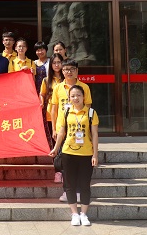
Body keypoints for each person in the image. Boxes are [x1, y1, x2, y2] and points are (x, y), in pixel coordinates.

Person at [49, 85, 99, 226]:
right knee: (69, 185)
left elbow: (95, 134)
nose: (75, 98)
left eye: (78, 95)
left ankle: (84, 214)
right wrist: (56, 148)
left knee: (85, 185)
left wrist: (95, 154)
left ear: (83, 97)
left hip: (86, 153)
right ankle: (74, 214)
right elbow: (61, 132)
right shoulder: (65, 111)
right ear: (69, 98)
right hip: (68, 153)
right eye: (72, 96)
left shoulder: (91, 113)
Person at [40, 53, 64, 180]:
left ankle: (66, 170)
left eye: (59, 62)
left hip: (66, 116)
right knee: (55, 144)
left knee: (65, 144)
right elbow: (42, 94)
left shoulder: (66, 79)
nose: (56, 65)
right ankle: (58, 171)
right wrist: (41, 101)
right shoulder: (46, 80)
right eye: (54, 63)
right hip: (51, 116)